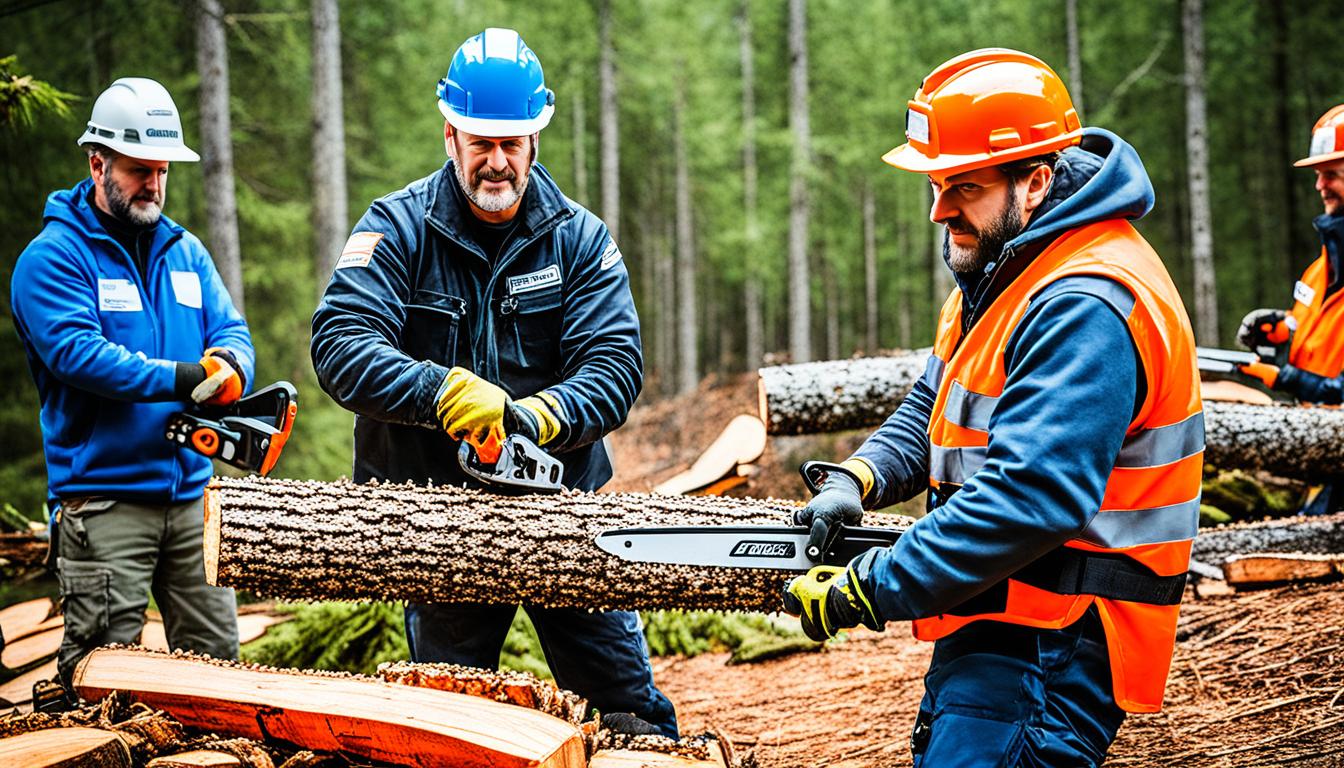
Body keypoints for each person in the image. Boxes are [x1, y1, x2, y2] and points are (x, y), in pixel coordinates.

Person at [781, 49, 1203, 766]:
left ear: (1035, 181)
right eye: (938, 184)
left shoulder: (1083, 302)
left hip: (1056, 637)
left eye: (964, 187)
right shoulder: (1005, 269)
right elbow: (931, 406)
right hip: (999, 609)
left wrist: (872, 588)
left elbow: (1031, 498)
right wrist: (858, 478)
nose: (941, 210)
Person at [310, 28, 676, 737]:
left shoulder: (581, 240)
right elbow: (340, 344)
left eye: (513, 143)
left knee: (627, 707)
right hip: (440, 520)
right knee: (452, 724)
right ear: (451, 134)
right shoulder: (397, 228)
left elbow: (614, 366)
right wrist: (442, 393)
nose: (498, 161)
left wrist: (538, 418)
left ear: (536, 137)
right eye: (482, 142)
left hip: (563, 511)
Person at [11, 77, 254, 689]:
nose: (153, 184)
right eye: (138, 169)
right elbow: (80, 357)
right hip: (105, 503)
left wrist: (228, 365)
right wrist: (186, 376)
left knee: (219, 675)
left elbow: (232, 331)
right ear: (98, 163)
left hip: (191, 499)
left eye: (162, 170)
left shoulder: (185, 251)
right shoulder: (53, 259)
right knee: (103, 677)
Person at [1235, 104, 1344, 514]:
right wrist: (1282, 331)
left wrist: (1285, 378)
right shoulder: (1320, 270)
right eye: (1318, 174)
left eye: (1331, 173)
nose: (1320, 185)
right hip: (1322, 451)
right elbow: (1315, 332)